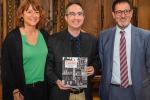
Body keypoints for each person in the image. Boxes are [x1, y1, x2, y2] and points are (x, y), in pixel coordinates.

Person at [46, 2, 99, 100]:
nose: (76, 18)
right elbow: (48, 67)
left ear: (83, 17)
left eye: (79, 14)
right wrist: (57, 81)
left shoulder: (92, 40)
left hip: (84, 94)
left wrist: (94, 68)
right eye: (72, 14)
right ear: (66, 17)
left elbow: (97, 60)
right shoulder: (53, 40)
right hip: (60, 93)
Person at [98, 0, 150, 100]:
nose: (123, 15)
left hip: (138, 91)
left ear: (131, 13)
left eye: (126, 11)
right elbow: (102, 64)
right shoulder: (103, 36)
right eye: (118, 12)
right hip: (111, 91)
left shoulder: (146, 36)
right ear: (113, 14)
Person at [1, 0, 49, 100]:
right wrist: (15, 90)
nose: (34, 15)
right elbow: (6, 68)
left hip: (43, 89)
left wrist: (78, 30)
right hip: (22, 91)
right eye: (29, 11)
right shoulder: (12, 38)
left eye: (36, 12)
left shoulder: (45, 35)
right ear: (22, 15)